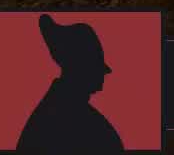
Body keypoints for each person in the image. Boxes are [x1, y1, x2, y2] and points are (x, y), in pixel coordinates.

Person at [17, 15, 124, 153]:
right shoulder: (62, 117)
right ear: (81, 68)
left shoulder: (61, 110)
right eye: (95, 67)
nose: (102, 77)